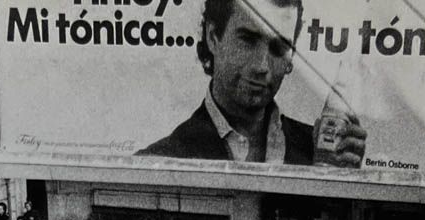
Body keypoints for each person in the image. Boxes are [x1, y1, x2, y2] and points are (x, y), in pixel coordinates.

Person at [138, 0, 364, 166]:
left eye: (278, 49)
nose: (261, 66)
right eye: (247, 40)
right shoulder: (158, 162)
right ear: (213, 37)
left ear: (291, 58)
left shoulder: (320, 155)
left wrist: (342, 191)